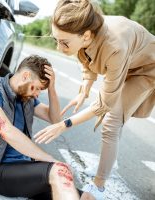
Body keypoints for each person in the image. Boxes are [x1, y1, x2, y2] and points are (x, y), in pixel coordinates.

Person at [34, 0, 155, 199]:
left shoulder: (114, 47)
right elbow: (84, 57)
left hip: (146, 69)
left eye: (64, 42)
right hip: (128, 62)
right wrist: (85, 89)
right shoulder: (83, 32)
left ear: (87, 35)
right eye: (56, 40)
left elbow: (104, 104)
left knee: (111, 120)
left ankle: (98, 186)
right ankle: (109, 163)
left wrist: (64, 125)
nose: (58, 48)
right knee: (113, 119)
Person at [0, 55, 81, 200]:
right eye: (36, 88)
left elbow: (55, 119)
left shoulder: (26, 98)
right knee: (59, 171)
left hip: (24, 167)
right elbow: (6, 131)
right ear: (25, 76)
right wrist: (49, 159)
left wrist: (51, 89)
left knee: (86, 197)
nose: (37, 94)